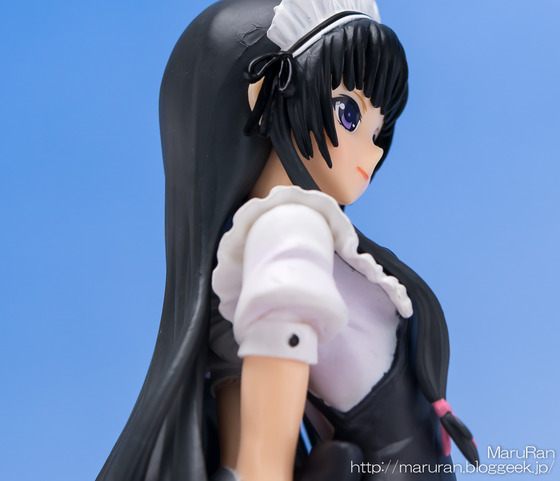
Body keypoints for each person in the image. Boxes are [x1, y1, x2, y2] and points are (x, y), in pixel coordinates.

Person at [97, 1, 478, 480]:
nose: (371, 150)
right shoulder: (290, 233)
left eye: (380, 130)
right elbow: (263, 456)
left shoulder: (283, 240)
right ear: (265, 93)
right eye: (349, 113)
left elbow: (245, 437)